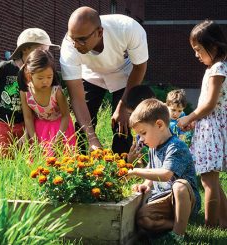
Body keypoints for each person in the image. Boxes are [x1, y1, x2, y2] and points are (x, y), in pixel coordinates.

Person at [60, 6, 148, 154]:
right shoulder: (69, 48)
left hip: (124, 72)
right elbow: (77, 99)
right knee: (83, 127)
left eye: (81, 40)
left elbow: (139, 68)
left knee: (122, 124)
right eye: (72, 38)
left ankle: (122, 170)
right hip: (91, 72)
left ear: (99, 32)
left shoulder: (128, 28)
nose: (75, 44)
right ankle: (83, 168)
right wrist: (92, 139)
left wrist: (123, 105)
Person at [128, 98, 201, 242]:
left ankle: (178, 234)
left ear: (159, 124)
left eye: (143, 133)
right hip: (163, 197)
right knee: (143, 219)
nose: (141, 139)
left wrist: (135, 171)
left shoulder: (176, 146)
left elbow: (166, 174)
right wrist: (146, 185)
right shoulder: (153, 147)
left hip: (184, 198)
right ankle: (178, 224)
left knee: (179, 186)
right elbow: (152, 170)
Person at [178, 20, 227, 228]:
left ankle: (210, 226)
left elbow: (209, 104)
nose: (196, 55)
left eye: (198, 50)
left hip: (212, 128)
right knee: (212, 181)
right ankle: (224, 222)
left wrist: (190, 117)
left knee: (208, 181)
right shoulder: (214, 67)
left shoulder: (218, 68)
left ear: (214, 47)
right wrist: (195, 120)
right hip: (207, 126)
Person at [0, 28, 59, 155]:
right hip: (1, 122)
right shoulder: (4, 68)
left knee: (23, 157)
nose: (44, 56)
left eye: (47, 52)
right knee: (2, 157)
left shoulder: (38, 75)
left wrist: (27, 132)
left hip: (24, 124)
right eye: (41, 51)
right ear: (25, 49)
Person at [19, 49, 76, 156]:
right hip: (39, 129)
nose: (45, 81)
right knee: (39, 164)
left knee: (62, 162)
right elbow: (28, 117)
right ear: (29, 74)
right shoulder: (25, 92)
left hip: (60, 129)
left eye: (49, 77)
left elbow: (66, 115)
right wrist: (34, 141)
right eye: (40, 78)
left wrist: (58, 140)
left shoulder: (57, 92)